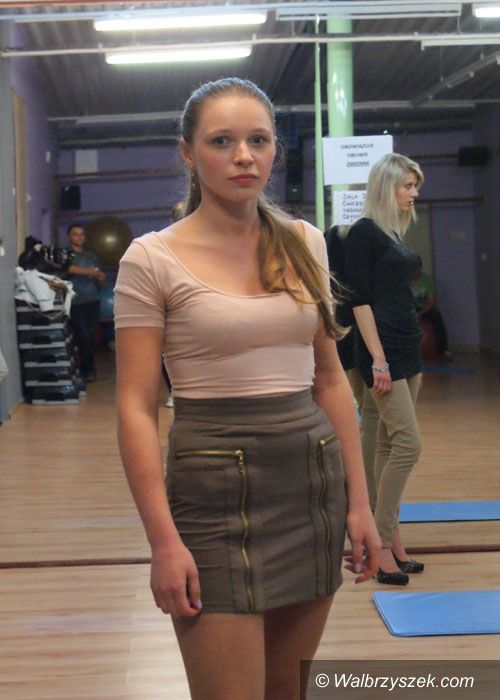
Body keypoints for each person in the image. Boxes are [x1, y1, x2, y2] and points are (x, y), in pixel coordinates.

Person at [114, 77, 380, 700]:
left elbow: (329, 380)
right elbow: (135, 408)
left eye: (258, 140)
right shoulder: (151, 259)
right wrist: (162, 541)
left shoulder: (305, 242)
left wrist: (361, 504)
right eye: (222, 141)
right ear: (188, 153)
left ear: (275, 150)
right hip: (212, 491)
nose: (244, 156)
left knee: (287, 690)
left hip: (310, 484)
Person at [342, 153, 425, 586]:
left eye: (416, 186)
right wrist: (377, 358)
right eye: (407, 186)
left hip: (408, 349)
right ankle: (382, 539)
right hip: (383, 351)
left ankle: (390, 539)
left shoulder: (393, 232)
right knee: (409, 445)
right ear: (386, 186)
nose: (414, 194)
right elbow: (359, 301)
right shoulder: (364, 233)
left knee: (386, 442)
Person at [324, 225, 379, 513]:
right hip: (352, 337)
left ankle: (360, 483)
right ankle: (362, 485)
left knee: (362, 406)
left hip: (345, 336)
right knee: (365, 410)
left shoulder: (333, 263)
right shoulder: (353, 276)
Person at [65, 223, 105, 382]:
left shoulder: (91, 256)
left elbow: (99, 278)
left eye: (82, 234)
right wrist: (92, 272)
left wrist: (100, 278)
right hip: (75, 302)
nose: (79, 237)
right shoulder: (65, 255)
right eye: (75, 234)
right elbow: (69, 269)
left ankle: (89, 369)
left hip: (93, 300)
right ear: (69, 237)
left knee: (91, 337)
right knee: (82, 336)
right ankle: (85, 370)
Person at [411, 256, 452, 360]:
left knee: (436, 316)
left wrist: (419, 314)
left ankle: (443, 350)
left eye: (416, 267)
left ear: (420, 268)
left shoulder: (427, 281)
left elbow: (430, 302)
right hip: (409, 308)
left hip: (424, 308)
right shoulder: (403, 281)